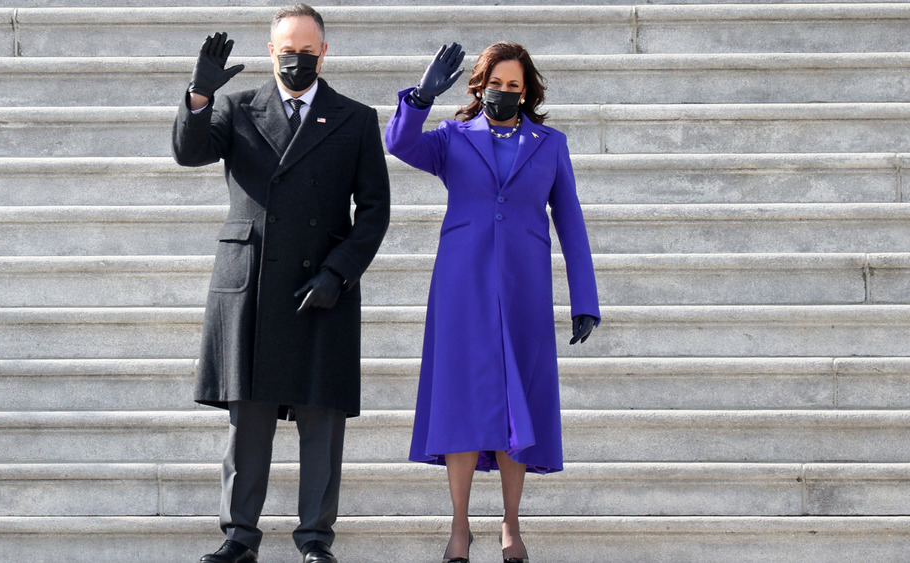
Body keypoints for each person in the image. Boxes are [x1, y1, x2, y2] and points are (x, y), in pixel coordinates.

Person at [171, 4, 390, 563]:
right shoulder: (237, 107)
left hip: (322, 285)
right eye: (287, 50)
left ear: (324, 53)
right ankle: (239, 536)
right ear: (271, 52)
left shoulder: (355, 117)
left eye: (307, 51)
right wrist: (198, 94)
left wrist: (338, 273)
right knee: (250, 420)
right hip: (254, 284)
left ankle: (315, 539)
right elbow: (189, 152)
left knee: (322, 421)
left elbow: (373, 212)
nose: (296, 60)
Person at [385, 42, 600, 563]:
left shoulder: (549, 143)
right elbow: (398, 143)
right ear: (478, 86)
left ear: (526, 93)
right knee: (461, 400)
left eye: (514, 87)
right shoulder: (452, 138)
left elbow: (570, 222)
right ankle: (459, 526)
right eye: (495, 84)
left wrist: (584, 297)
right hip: (462, 284)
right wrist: (420, 96)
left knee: (515, 402)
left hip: (524, 286)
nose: (504, 93)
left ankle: (510, 523)